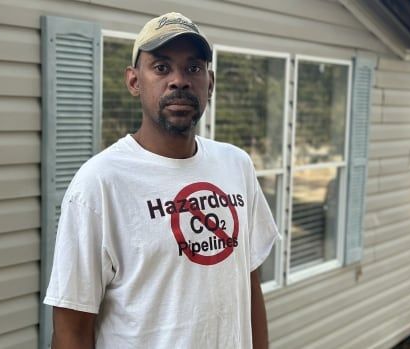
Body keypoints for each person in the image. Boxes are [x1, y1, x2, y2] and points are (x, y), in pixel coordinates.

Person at [44, 12, 280, 349]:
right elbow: (71, 329)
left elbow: (248, 281)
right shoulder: (99, 184)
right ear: (134, 81)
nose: (179, 80)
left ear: (210, 83)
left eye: (193, 68)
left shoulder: (236, 165)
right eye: (161, 67)